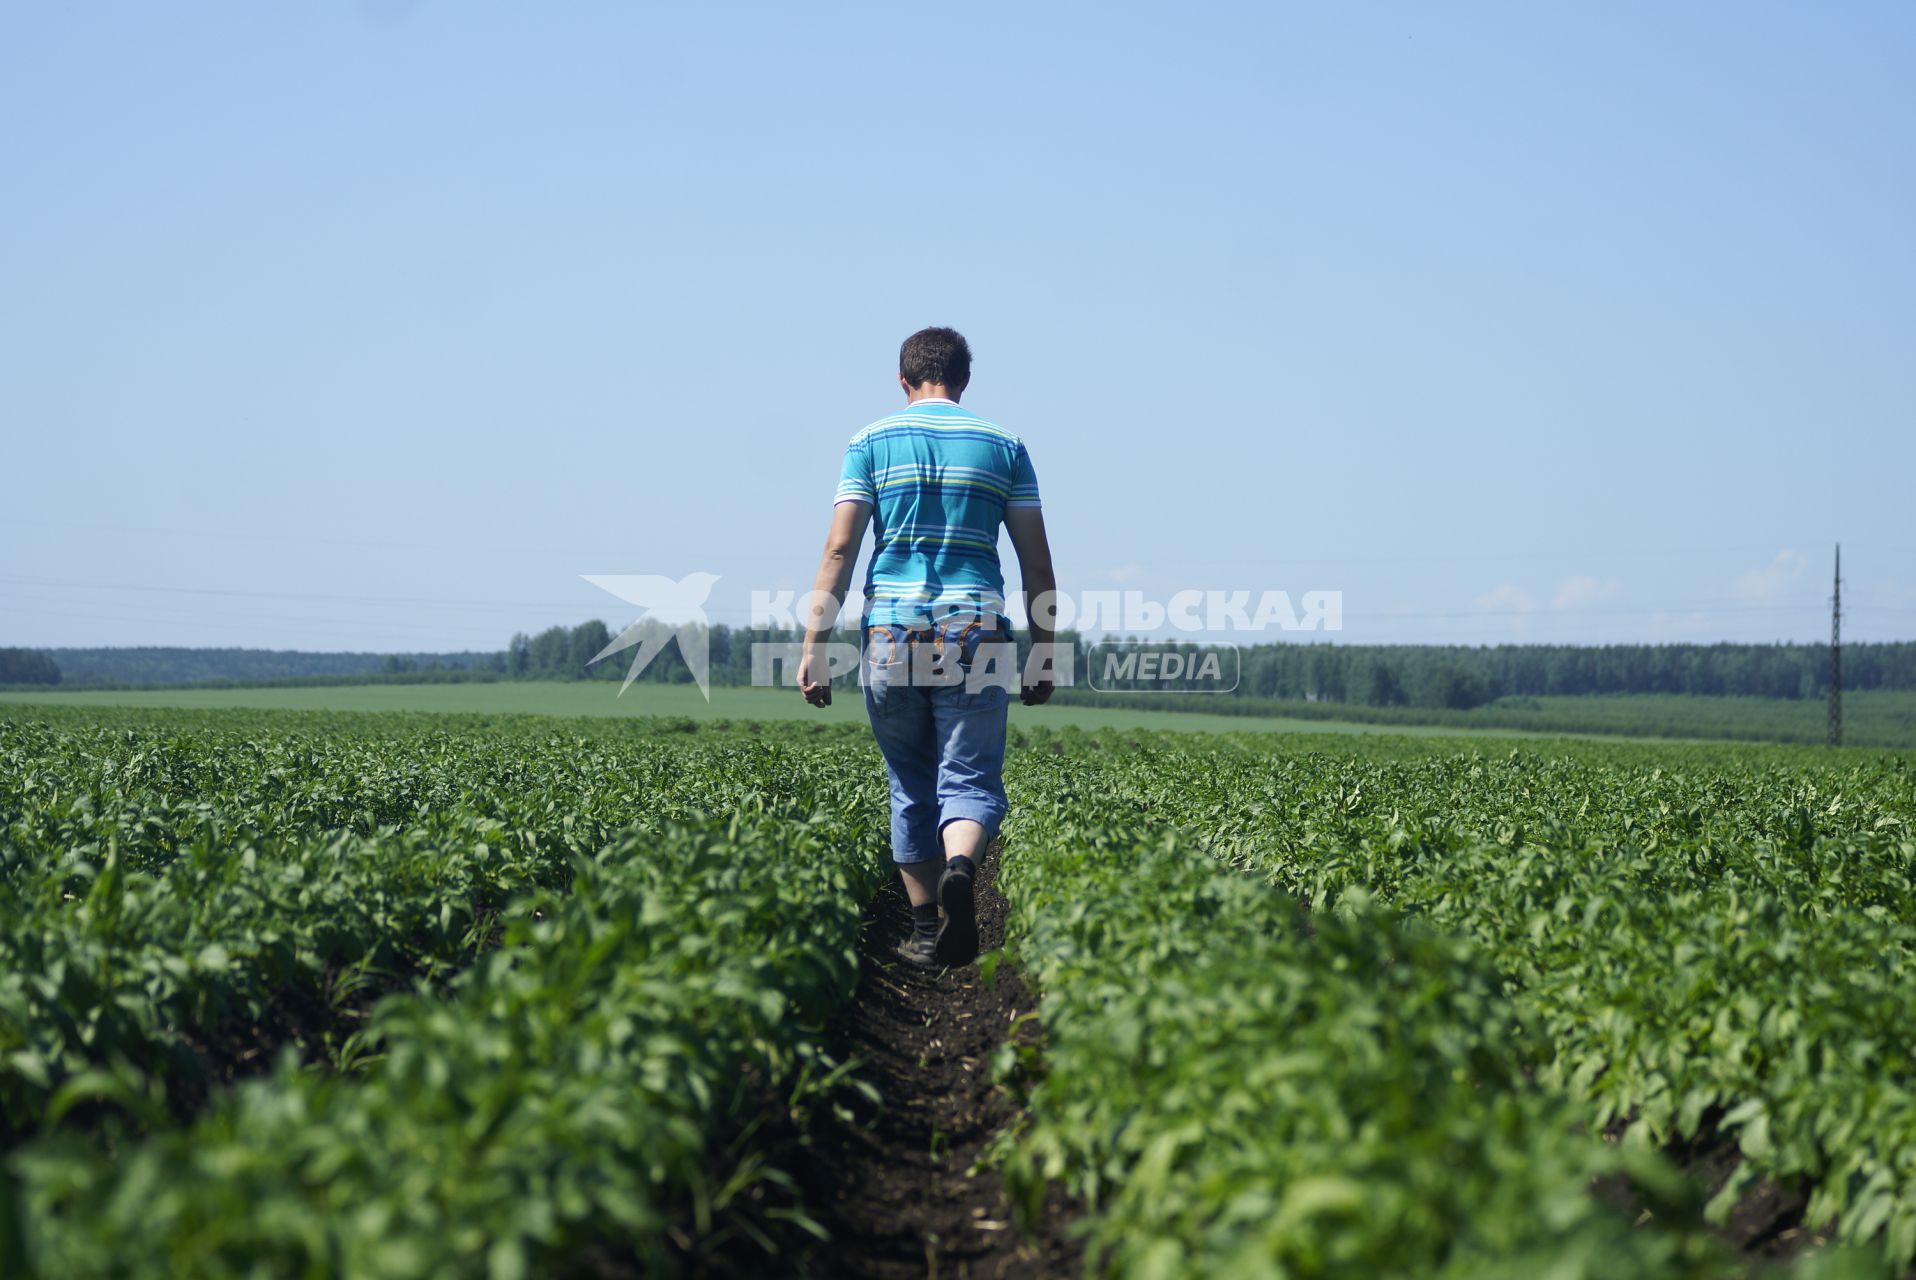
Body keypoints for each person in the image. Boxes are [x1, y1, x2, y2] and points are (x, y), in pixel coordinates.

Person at [797, 327, 1056, 968]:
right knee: (968, 779)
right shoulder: (1005, 447)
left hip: (891, 632)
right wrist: (1044, 650)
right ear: (965, 380)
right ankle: (962, 867)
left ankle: (922, 930)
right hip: (977, 631)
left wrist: (814, 646)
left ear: (903, 379)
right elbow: (1036, 563)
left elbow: (839, 549)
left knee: (911, 782)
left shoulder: (869, 443)